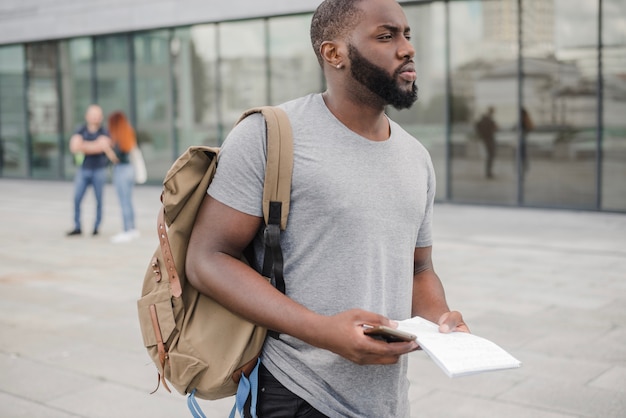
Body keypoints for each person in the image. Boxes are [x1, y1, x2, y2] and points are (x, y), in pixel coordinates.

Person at [186, 0, 469, 416]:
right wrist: (323, 331)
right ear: (333, 53)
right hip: (295, 392)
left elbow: (419, 269)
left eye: (407, 34)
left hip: (387, 401)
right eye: (386, 36)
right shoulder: (267, 135)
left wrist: (442, 323)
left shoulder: (415, 156)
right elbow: (207, 258)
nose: (406, 48)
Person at [67, 104, 114, 236]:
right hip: (83, 170)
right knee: (77, 198)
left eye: (97, 115)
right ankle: (77, 226)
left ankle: (96, 227)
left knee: (99, 200)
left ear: (101, 117)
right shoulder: (80, 129)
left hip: (99, 170)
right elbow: (74, 147)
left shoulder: (104, 131)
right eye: (92, 115)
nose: (95, 118)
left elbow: (103, 146)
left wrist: (84, 145)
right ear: (87, 116)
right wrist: (95, 145)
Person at [107, 111, 140, 243]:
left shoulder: (118, 137)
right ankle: (132, 229)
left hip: (121, 170)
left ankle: (127, 230)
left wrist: (107, 149)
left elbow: (117, 158)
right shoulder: (128, 132)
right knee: (128, 200)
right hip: (130, 169)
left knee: (124, 201)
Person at [475, 106, 498, 178]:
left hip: (487, 139)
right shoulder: (487, 119)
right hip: (488, 139)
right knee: (490, 156)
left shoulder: (486, 119)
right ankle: (488, 172)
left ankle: (488, 172)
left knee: (490, 156)